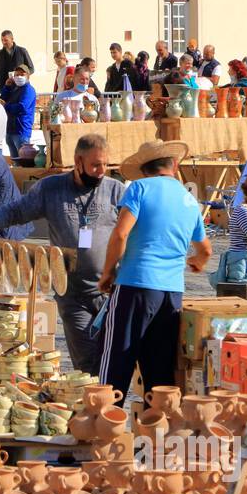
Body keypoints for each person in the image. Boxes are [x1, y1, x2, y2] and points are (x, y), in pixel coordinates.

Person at [0, 134, 126, 375]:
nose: (101, 171)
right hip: (73, 293)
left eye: (105, 164)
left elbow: (135, 230)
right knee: (87, 365)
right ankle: (91, 406)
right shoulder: (52, 189)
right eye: (95, 165)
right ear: (78, 161)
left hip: (111, 293)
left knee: (112, 362)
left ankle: (106, 407)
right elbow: (15, 211)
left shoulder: (116, 191)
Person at [97, 139, 211, 395]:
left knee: (115, 366)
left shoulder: (139, 188)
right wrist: (196, 262)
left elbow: (120, 234)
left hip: (135, 285)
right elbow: (205, 250)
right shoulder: (189, 200)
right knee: (159, 376)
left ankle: (104, 426)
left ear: (144, 169)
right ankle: (156, 430)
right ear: (174, 164)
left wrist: (107, 272)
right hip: (171, 294)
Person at [0, 63, 36, 157]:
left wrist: (6, 106)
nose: (19, 76)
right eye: (16, 75)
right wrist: (7, 87)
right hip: (10, 129)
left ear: (28, 76)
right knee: (15, 161)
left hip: (21, 130)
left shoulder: (28, 90)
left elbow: (22, 107)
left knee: (23, 161)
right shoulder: (14, 88)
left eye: (22, 74)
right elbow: (3, 99)